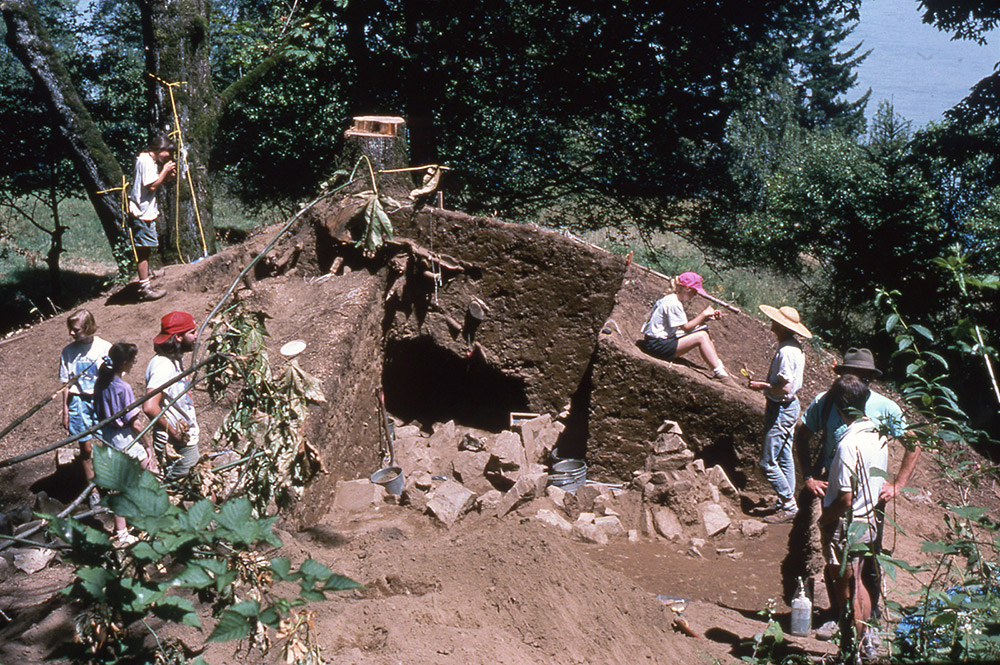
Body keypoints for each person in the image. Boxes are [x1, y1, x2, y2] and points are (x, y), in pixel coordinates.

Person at [817, 374, 888, 658]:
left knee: (844, 585)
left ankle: (849, 651)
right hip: (869, 520)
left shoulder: (848, 444)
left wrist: (824, 521)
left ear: (838, 408)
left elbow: (845, 499)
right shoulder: (878, 436)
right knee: (860, 581)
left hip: (846, 525)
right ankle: (865, 642)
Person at [747, 305, 811, 523]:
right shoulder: (795, 347)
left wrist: (761, 386)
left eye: (774, 321)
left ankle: (789, 504)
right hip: (788, 407)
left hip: (782, 407)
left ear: (782, 327)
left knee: (768, 462)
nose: (771, 323)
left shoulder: (785, 352)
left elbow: (784, 387)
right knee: (784, 456)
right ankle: (787, 501)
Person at [95, 341, 157, 545]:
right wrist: (148, 447)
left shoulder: (101, 383)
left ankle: (123, 530)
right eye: (132, 360)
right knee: (148, 472)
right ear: (124, 363)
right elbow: (135, 424)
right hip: (124, 437)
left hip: (108, 435)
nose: (133, 364)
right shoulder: (122, 388)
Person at [641, 271, 735, 385]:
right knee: (701, 336)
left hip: (654, 341)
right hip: (656, 346)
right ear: (687, 289)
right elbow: (686, 328)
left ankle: (719, 367)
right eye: (695, 291)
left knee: (703, 330)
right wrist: (703, 314)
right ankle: (721, 374)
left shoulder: (670, 299)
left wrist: (706, 319)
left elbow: (685, 327)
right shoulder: (674, 304)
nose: (695, 295)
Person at [59, 310, 112, 504]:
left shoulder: (104, 347)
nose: (71, 334)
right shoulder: (68, 351)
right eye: (70, 330)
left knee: (109, 442)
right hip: (78, 401)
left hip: (101, 399)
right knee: (86, 448)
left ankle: (113, 483)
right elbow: (66, 384)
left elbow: (116, 378)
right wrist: (65, 411)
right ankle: (93, 490)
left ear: (88, 328)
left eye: (76, 330)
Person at [144, 311, 200, 483]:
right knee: (180, 487)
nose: (197, 336)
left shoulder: (174, 359)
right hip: (177, 443)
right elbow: (149, 406)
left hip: (182, 440)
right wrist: (175, 433)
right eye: (192, 332)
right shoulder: (163, 365)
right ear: (178, 338)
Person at [128, 136, 176, 301]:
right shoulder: (147, 162)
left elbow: (156, 182)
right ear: (159, 149)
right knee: (143, 251)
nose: (168, 156)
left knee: (146, 248)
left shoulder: (147, 160)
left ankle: (147, 276)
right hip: (142, 213)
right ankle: (145, 288)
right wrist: (164, 171)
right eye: (167, 152)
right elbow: (152, 185)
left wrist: (167, 174)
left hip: (144, 211)